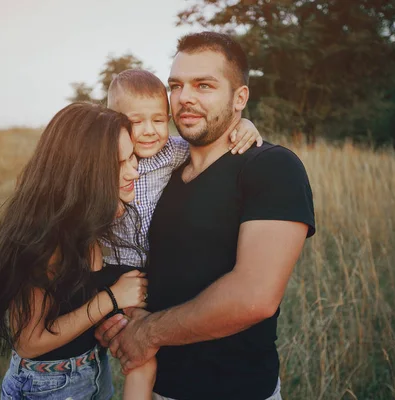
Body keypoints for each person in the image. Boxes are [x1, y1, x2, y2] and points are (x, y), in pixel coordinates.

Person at [96, 32, 316, 400]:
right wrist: (113, 319)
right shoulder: (153, 170)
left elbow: (255, 297)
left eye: (204, 85)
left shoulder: (271, 167)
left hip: (237, 391)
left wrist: (146, 332)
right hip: (159, 388)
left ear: (239, 98)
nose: (185, 98)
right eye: (176, 85)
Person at [0, 102, 152, 400]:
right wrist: (111, 299)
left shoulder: (93, 221)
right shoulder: (45, 240)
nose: (133, 172)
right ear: (83, 173)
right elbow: (28, 342)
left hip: (94, 373)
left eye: (132, 157)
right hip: (49, 387)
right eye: (118, 164)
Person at [103, 68, 263, 269]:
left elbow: (211, 145)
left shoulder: (171, 151)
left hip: (159, 265)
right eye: (136, 122)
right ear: (114, 121)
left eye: (158, 120)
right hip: (113, 263)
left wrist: (244, 124)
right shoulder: (102, 157)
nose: (150, 131)